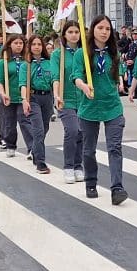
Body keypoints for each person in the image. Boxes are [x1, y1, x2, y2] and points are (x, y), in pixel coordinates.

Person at [73, 15, 129, 205]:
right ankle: (91, 182)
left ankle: (117, 188)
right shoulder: (82, 54)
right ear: (93, 30)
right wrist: (84, 86)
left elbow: (118, 73)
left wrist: (121, 81)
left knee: (115, 148)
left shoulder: (114, 53)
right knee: (88, 150)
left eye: (107, 29)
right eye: (100, 28)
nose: (104, 32)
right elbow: (76, 76)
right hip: (89, 107)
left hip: (112, 106)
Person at [52, 21, 85, 184]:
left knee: (82, 133)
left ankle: (79, 166)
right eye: (70, 31)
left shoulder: (85, 53)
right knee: (72, 131)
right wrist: (57, 95)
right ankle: (68, 167)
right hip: (66, 99)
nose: (74, 34)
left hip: (84, 100)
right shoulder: (58, 55)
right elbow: (56, 77)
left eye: (76, 32)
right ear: (64, 35)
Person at [19, 34, 54, 175]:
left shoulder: (50, 63)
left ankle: (34, 150)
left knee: (45, 128)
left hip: (47, 97)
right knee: (38, 130)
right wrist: (24, 100)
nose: (37, 47)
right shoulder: (26, 65)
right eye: (34, 44)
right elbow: (23, 84)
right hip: (33, 97)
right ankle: (40, 162)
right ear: (29, 47)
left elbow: (55, 80)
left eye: (39, 44)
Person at [0, 35, 25, 157]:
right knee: (10, 124)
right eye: (16, 43)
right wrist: (3, 94)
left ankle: (32, 147)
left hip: (23, 98)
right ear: (10, 45)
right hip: (9, 98)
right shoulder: (3, 62)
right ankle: (11, 145)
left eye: (21, 43)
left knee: (25, 122)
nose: (18, 45)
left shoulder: (27, 61)